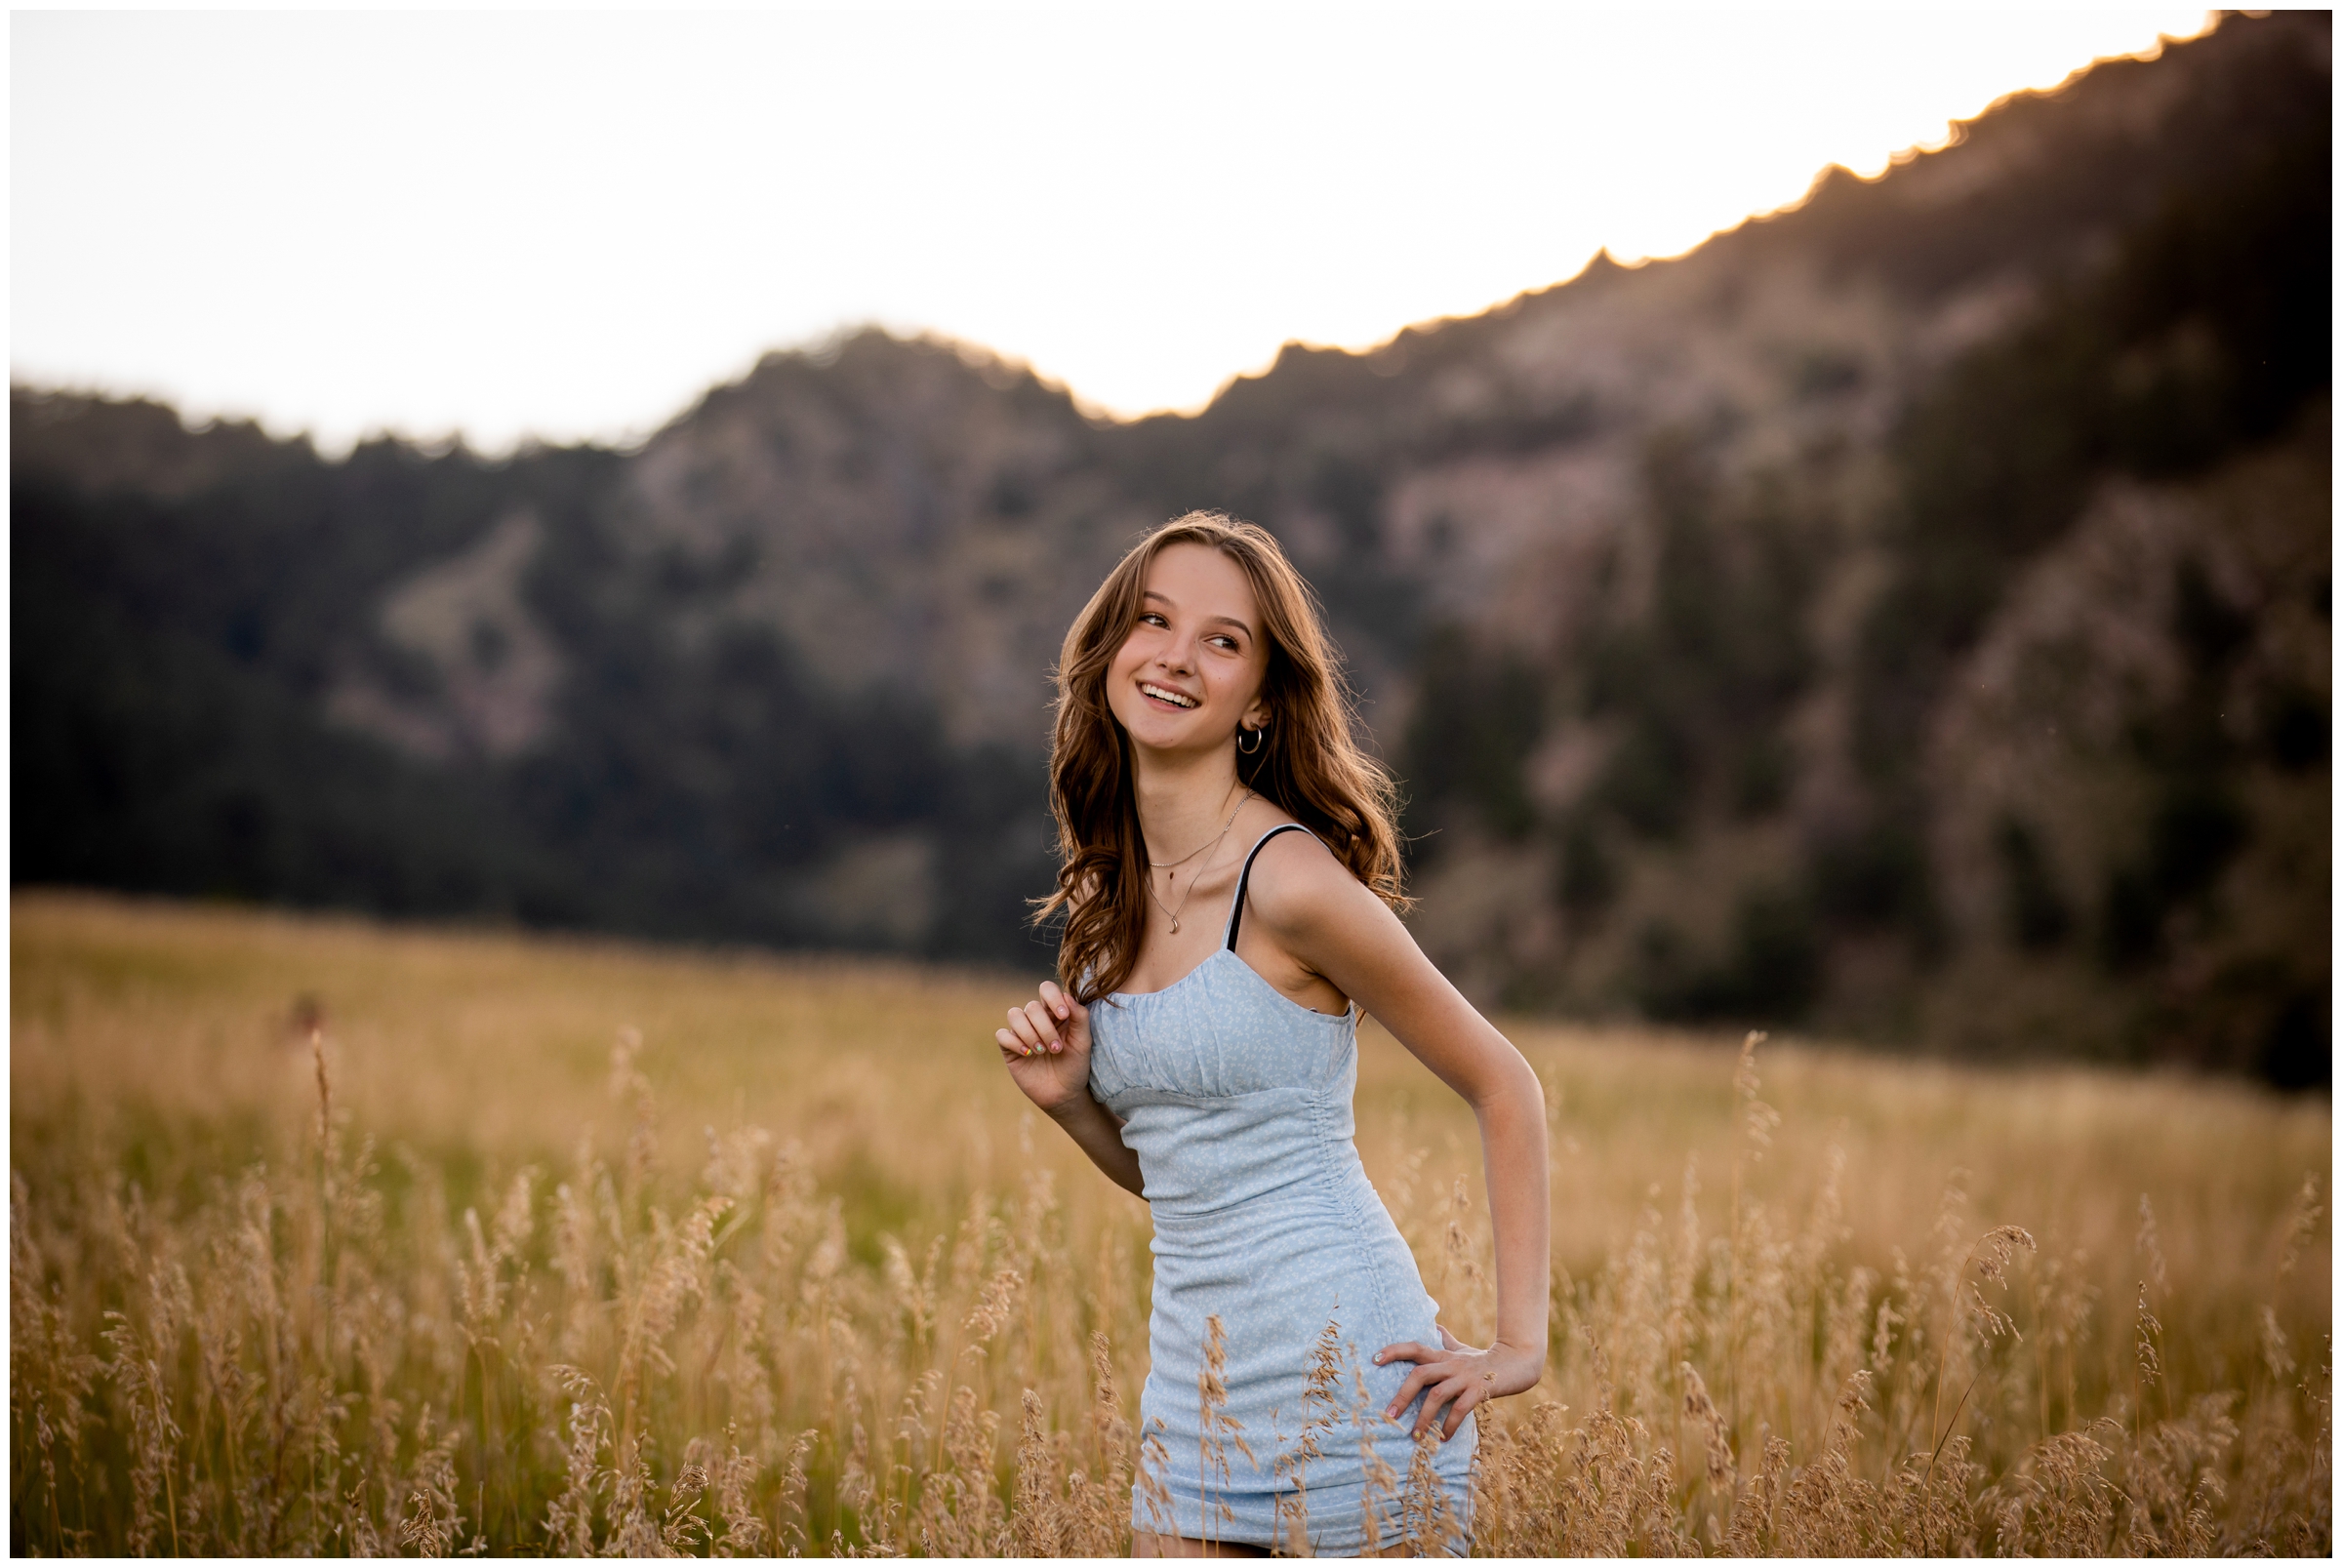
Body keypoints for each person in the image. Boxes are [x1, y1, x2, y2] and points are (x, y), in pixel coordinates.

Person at [995, 512, 1549, 1557]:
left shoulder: (1291, 882)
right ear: (1112, 647)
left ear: (1259, 698)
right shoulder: (1110, 898)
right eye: (1153, 619)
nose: (1174, 655)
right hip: (1192, 1409)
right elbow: (1189, 1178)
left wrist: (1518, 1342)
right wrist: (1073, 1102)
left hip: (1353, 1401)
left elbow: (1502, 1079)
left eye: (1222, 638)